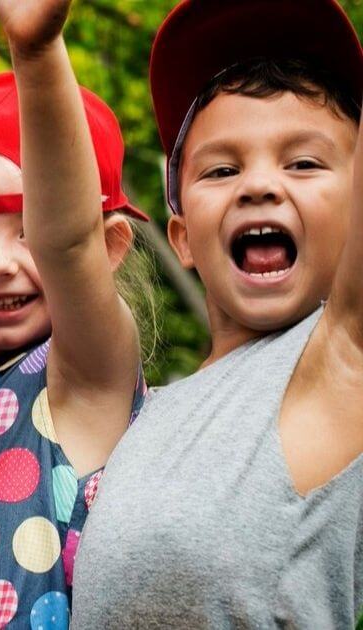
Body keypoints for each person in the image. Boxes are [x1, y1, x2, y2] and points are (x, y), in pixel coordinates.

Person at [72, 0, 363, 627]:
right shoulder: (148, 413)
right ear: (181, 237)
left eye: (304, 163)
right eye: (223, 169)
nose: (258, 185)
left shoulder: (341, 357)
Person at [0, 0, 150, 624]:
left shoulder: (87, 372)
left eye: (28, 228)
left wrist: (35, 54)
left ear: (110, 247)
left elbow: (71, 244)